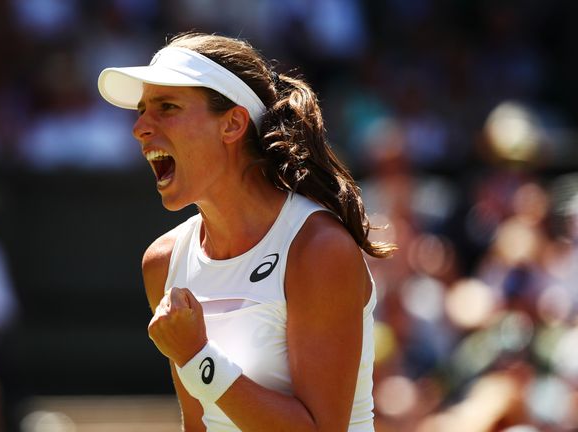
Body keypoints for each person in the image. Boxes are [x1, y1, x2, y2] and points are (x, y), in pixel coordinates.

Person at [97, 32, 395, 432]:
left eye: (167, 107)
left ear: (233, 124)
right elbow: (199, 426)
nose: (140, 128)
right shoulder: (163, 262)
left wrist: (197, 356)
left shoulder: (318, 249)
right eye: (141, 111)